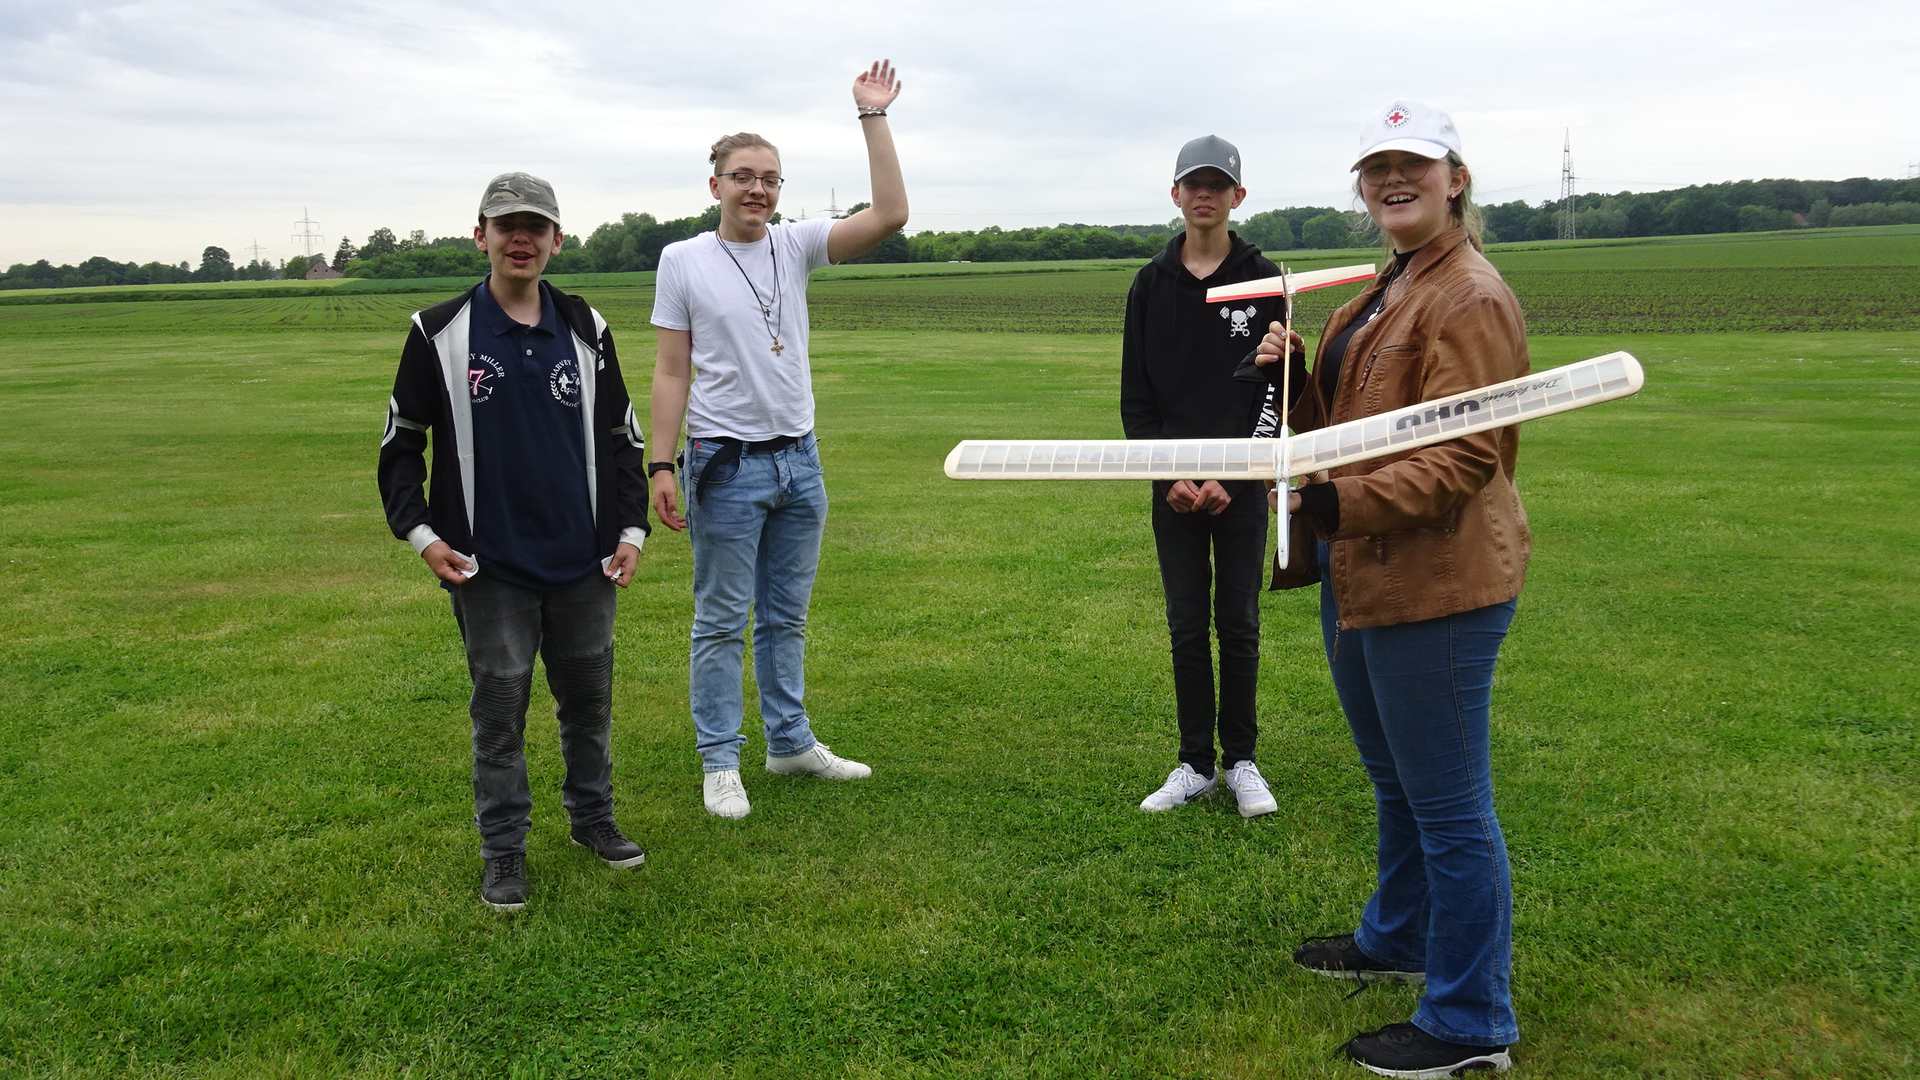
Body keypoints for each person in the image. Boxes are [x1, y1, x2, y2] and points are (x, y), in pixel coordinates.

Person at [1254, 101, 1527, 1076]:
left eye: (1413, 163)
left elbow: (1465, 456)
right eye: (1376, 167)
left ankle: (1471, 1022)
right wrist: (1300, 372)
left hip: (1437, 579)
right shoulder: (1391, 285)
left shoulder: (1469, 296)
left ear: (1456, 179)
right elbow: (1353, 430)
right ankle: (1400, 937)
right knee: (1398, 783)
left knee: (1450, 807)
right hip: (1365, 568)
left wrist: (1332, 504)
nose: (1392, 180)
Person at [378, 172, 651, 912]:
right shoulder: (438, 332)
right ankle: (504, 849)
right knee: (499, 712)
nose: (521, 239)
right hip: (487, 567)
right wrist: (423, 535)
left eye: (536, 227)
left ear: (557, 239)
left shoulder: (587, 327)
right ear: (482, 236)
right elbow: (401, 448)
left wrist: (630, 530)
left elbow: (623, 439)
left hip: (584, 562)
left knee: (588, 703)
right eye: (506, 226)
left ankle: (593, 820)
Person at [648, 61, 909, 819]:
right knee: (721, 621)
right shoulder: (682, 260)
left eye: (769, 179)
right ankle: (719, 761)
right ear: (716, 186)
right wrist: (660, 462)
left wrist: (872, 117)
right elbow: (671, 370)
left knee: (786, 617)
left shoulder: (794, 246)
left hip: (800, 459)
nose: (757, 190)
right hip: (724, 464)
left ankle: (790, 743)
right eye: (743, 177)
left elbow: (891, 213)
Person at [1120, 135, 1294, 817]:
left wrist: (1240, 475)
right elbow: (1137, 397)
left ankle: (1242, 760)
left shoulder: (1265, 279)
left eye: (1217, 185)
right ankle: (1194, 764)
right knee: (1187, 626)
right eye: (1193, 183)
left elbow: (1276, 393)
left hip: (1240, 487)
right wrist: (1166, 476)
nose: (1204, 195)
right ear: (1175, 194)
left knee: (1238, 622)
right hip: (1173, 488)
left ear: (1237, 196)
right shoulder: (1150, 283)